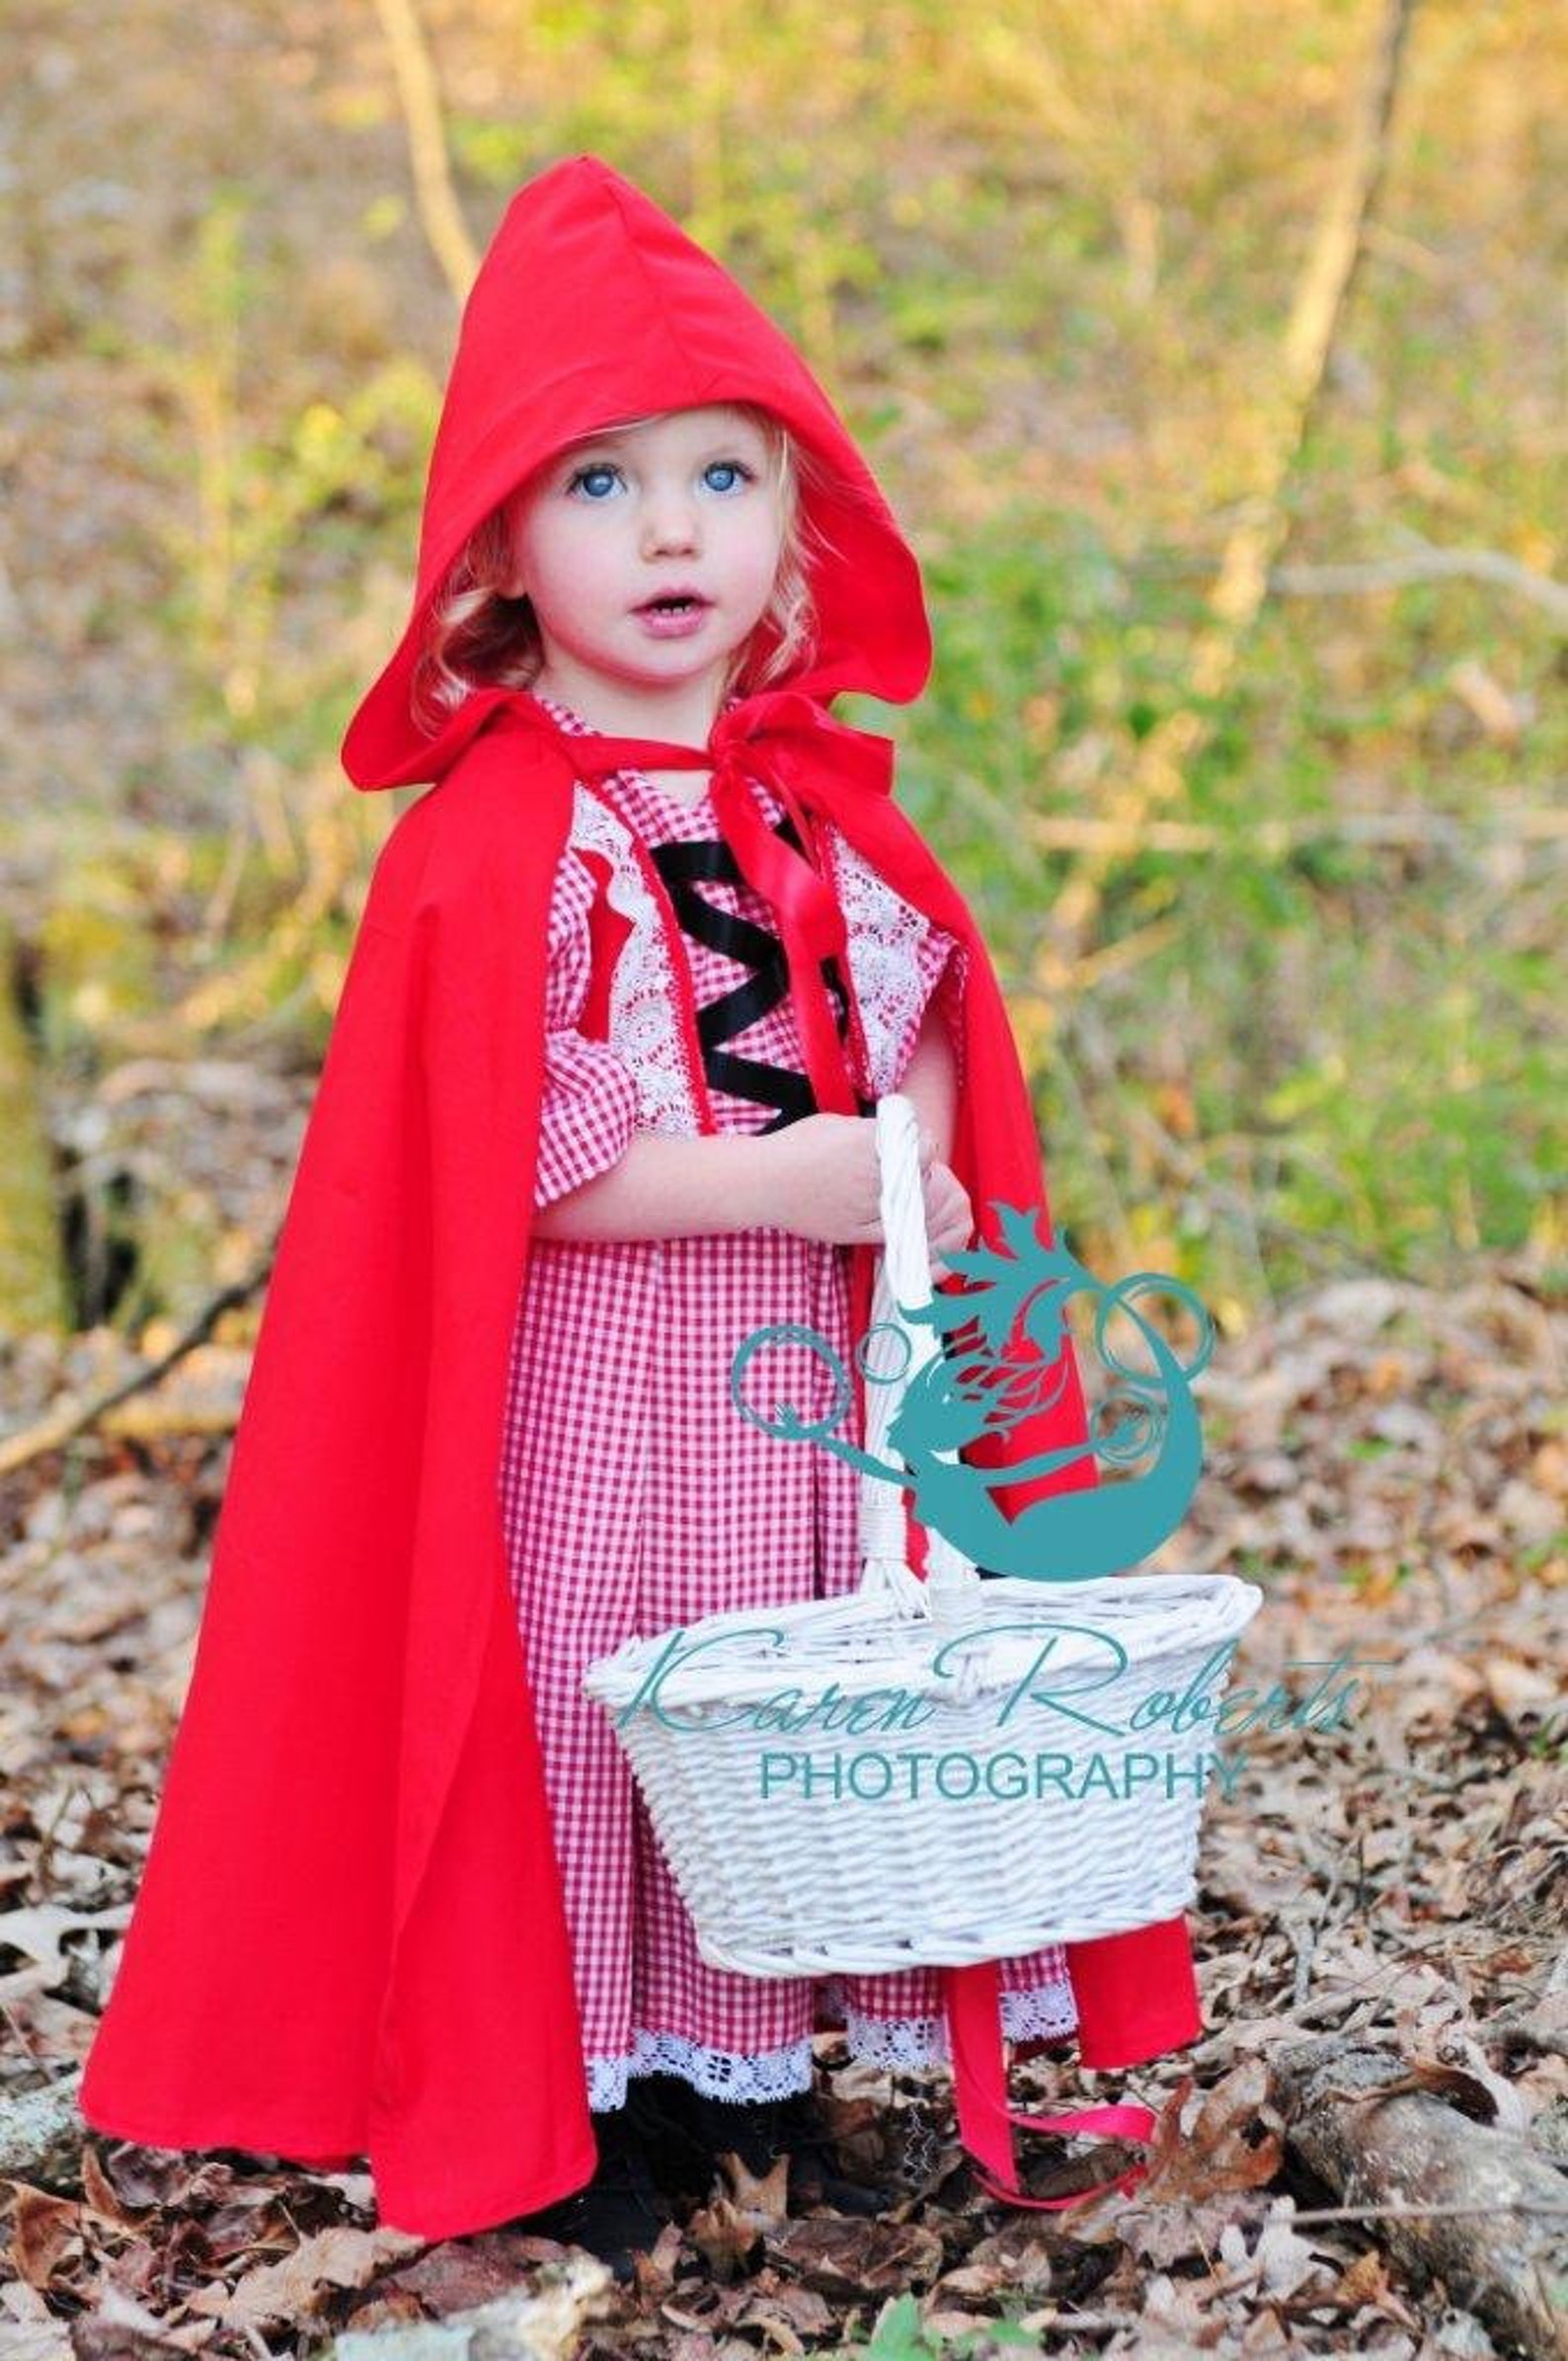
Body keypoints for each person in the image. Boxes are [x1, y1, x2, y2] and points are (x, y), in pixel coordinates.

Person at [79, 155, 1201, 2281]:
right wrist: (794, 1173)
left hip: (804, 1395)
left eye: (717, 474)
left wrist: (921, 1149)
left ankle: (757, 2064)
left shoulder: (812, 799)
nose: (668, 528)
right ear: (497, 537)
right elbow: (532, 1143)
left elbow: (921, 999)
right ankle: (592, 2084)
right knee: (612, 1722)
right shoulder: (495, 839)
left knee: (803, 1699)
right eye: (595, 483)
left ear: (796, 519)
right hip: (585, 1405)